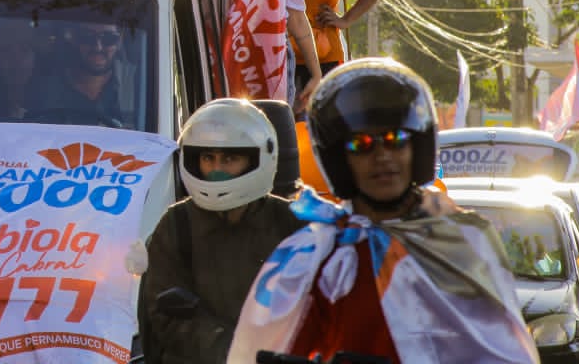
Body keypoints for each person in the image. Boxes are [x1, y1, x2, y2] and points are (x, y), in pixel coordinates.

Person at [227, 60, 539, 364]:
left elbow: (500, 349)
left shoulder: (462, 242)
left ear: (418, 147)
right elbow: (279, 347)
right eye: (361, 145)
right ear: (338, 160)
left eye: (395, 140)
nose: (382, 157)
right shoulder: (317, 257)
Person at [138, 99, 301, 364]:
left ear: (256, 158)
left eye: (230, 159)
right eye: (208, 158)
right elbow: (166, 316)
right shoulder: (176, 225)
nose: (216, 170)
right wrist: (236, 352)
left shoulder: (291, 223)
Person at [26, 21, 126, 127]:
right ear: (74, 39)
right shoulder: (43, 92)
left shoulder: (138, 90)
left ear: (119, 42)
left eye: (109, 38)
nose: (98, 47)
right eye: (87, 37)